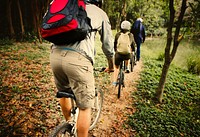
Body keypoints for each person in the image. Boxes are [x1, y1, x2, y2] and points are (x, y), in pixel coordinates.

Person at [49, 0, 114, 136]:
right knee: (84, 107)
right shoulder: (99, 13)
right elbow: (108, 46)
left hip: (54, 56)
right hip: (78, 60)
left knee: (63, 91)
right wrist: (111, 65)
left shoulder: (64, 5)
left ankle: (69, 122)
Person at [113, 20, 135, 85]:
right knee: (128, 55)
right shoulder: (131, 35)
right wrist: (133, 50)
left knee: (116, 67)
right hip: (127, 54)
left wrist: (115, 50)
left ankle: (114, 81)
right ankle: (127, 67)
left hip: (118, 54)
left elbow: (115, 44)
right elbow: (133, 45)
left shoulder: (118, 34)